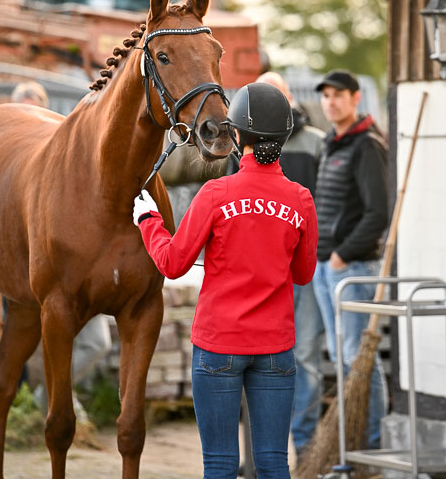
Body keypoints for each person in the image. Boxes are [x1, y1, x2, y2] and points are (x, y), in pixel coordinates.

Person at [133, 82, 318, 479]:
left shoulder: (216, 193)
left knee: (218, 463)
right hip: (274, 347)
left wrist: (148, 221)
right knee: (272, 462)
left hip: (219, 346)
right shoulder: (300, 198)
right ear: (283, 137)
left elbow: (171, 262)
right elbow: (303, 274)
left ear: (236, 135)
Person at [10, 80, 112, 418]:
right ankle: (33, 400)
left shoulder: (64, 156)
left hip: (78, 271)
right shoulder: (11, 163)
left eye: (34, 106)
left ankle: (48, 396)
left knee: (98, 344)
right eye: (21, 108)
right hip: (29, 277)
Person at [312, 69, 389, 449]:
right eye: (326, 95)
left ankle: (373, 444)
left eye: (338, 95)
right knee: (341, 356)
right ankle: (356, 441)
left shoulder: (367, 145)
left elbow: (378, 213)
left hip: (352, 268)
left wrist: (343, 256)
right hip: (324, 266)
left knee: (360, 358)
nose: (331, 102)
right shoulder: (332, 141)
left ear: (356, 98)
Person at [256, 72, 325, 460]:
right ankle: (265, 453)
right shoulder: (244, 148)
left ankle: (307, 449)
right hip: (263, 273)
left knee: (307, 356)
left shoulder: (315, 143)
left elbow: (326, 203)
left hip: (303, 270)